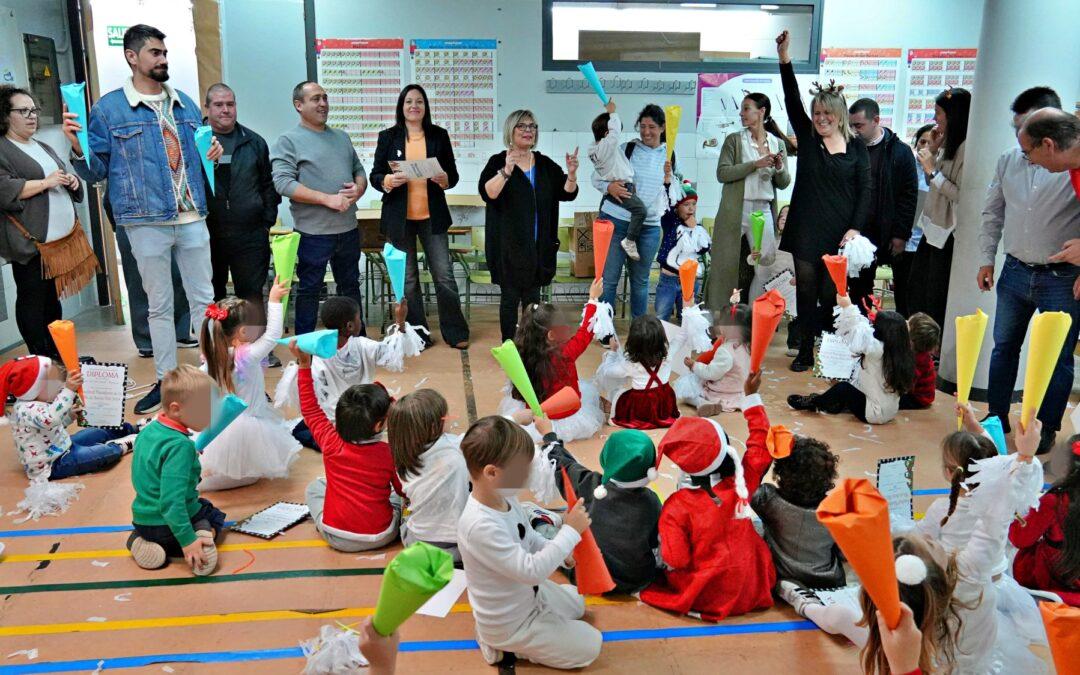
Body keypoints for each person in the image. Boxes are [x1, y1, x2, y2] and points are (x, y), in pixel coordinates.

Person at [62, 24, 219, 415]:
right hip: (143, 219)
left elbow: (200, 152)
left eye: (164, 53)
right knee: (159, 305)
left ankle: (211, 379)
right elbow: (97, 172)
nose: (163, 59)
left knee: (205, 300)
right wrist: (77, 147)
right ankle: (169, 385)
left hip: (192, 214)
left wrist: (211, 151)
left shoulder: (183, 101)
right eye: (154, 53)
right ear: (132, 57)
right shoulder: (109, 109)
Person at [857, 420, 1046, 674]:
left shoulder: (920, 603)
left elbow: (995, 510)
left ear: (950, 472)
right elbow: (998, 512)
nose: (932, 543)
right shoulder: (971, 570)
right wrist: (1024, 456)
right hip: (977, 649)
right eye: (932, 546)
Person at [977, 87, 1080, 454]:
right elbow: (993, 212)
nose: (1023, 149)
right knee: (1004, 346)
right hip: (1016, 270)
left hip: (1061, 278)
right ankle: (995, 417)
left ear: (1048, 139)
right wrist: (987, 257)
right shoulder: (1009, 161)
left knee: (1058, 355)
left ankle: (1046, 426)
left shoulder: (1070, 166)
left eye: (1026, 132)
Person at [457, 415, 601, 670]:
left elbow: (529, 537)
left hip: (526, 595)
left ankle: (527, 631)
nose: (529, 474)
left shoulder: (505, 496)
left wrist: (558, 548)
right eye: (522, 469)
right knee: (591, 644)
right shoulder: (479, 525)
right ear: (492, 472)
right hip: (511, 621)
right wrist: (569, 532)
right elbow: (531, 572)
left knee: (578, 604)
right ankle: (497, 642)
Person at [640, 372, 776, 621]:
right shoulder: (741, 480)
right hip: (751, 582)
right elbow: (761, 442)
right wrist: (751, 397)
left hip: (707, 590)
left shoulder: (677, 506)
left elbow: (676, 558)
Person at [774, 30, 870, 372]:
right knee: (806, 293)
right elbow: (791, 100)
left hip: (840, 232)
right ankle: (804, 351)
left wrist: (856, 228)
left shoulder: (857, 147)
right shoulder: (809, 139)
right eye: (816, 114)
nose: (820, 119)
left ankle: (830, 350)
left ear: (839, 114)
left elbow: (865, 190)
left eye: (827, 114)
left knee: (831, 296)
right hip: (806, 229)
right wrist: (785, 57)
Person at [370, 84, 468, 349]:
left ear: (426, 107)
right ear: (401, 107)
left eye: (419, 102)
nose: (414, 106)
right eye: (409, 102)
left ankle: (455, 332)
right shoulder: (388, 137)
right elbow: (375, 176)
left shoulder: (438, 135)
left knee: (444, 275)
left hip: (432, 217)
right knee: (408, 279)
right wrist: (388, 179)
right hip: (399, 219)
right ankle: (419, 335)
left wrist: (445, 179)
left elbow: (453, 175)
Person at [271, 80, 367, 336]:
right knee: (310, 289)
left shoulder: (341, 137)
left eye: (325, 97)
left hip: (347, 228)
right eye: (316, 99)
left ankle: (355, 341)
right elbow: (283, 183)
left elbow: (359, 170)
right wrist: (327, 199)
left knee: (350, 288)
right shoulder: (288, 141)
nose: (323, 103)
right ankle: (306, 346)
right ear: (299, 105)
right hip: (313, 233)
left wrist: (358, 188)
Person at [0, 87, 90, 358]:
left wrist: (71, 181)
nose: (31, 116)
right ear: (5, 116)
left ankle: (57, 358)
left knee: (51, 301)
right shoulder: (3, 148)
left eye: (34, 110)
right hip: (31, 243)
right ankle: (40, 360)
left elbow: (60, 175)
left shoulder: (41, 145)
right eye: (22, 111)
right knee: (33, 300)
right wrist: (47, 182)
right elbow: (4, 190)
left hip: (58, 244)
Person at [291, 341, 403, 553]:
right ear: (379, 425)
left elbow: (310, 409)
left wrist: (304, 365)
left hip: (336, 535)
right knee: (395, 496)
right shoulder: (388, 453)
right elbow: (402, 490)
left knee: (314, 488)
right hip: (382, 535)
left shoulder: (330, 442)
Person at [480, 110, 579, 341]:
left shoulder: (544, 164)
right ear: (511, 131)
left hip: (538, 249)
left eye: (532, 126)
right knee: (510, 299)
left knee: (533, 301)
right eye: (522, 126)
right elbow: (488, 193)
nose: (528, 131)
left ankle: (530, 344)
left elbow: (567, 194)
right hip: (508, 249)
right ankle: (509, 346)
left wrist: (572, 175)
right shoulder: (497, 161)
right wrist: (506, 171)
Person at [278, 296, 422, 450]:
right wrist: (400, 321)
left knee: (299, 431)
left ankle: (335, 440)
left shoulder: (318, 349)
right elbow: (395, 353)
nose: (361, 322)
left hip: (332, 418)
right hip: (363, 416)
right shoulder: (364, 345)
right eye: (359, 318)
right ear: (350, 326)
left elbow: (311, 390)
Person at [197, 278, 301, 490]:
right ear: (243, 332)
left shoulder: (210, 359)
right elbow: (273, 335)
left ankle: (210, 471)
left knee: (226, 466)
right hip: (246, 429)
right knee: (250, 474)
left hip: (217, 427)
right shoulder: (248, 356)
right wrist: (274, 300)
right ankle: (221, 475)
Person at [127, 365, 226, 576]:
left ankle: (137, 539)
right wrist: (187, 540)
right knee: (212, 513)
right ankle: (200, 538)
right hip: (169, 527)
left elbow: (150, 472)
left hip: (144, 520)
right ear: (175, 408)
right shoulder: (181, 446)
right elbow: (171, 502)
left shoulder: (149, 431)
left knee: (194, 509)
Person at [758, 438, 858, 643]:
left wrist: (768, 456)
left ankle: (797, 595)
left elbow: (745, 485)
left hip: (783, 574)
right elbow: (843, 552)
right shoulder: (836, 510)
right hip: (829, 580)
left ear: (780, 475)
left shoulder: (767, 499)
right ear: (828, 479)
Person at [544, 420, 662, 594]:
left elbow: (562, 465)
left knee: (545, 533)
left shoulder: (589, 484)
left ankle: (540, 522)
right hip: (635, 580)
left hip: (589, 576)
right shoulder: (651, 502)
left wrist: (550, 438)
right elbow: (654, 542)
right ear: (651, 468)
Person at [593, 104, 682, 319]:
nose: (646, 132)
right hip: (616, 221)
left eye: (652, 126)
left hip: (649, 228)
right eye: (642, 126)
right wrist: (609, 187)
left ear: (663, 128)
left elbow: (674, 195)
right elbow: (596, 177)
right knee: (609, 279)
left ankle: (639, 332)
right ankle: (605, 330)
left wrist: (670, 179)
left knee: (640, 282)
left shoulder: (669, 156)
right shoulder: (626, 149)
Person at [202, 84, 279, 330]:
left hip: (250, 234)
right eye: (219, 105)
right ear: (207, 108)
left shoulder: (254, 142)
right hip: (207, 234)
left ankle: (257, 349)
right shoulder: (195, 141)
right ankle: (217, 350)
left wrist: (266, 221)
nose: (226, 110)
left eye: (230, 104)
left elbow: (268, 184)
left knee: (252, 295)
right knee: (211, 294)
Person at [708, 92, 792, 307]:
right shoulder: (734, 140)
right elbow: (723, 174)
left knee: (764, 268)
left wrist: (779, 167)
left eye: (746, 108)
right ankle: (721, 321)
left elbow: (783, 183)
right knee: (725, 267)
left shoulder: (777, 143)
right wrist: (755, 164)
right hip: (735, 210)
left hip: (762, 210)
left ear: (761, 112)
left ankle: (755, 318)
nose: (741, 113)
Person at [497, 278, 606, 443]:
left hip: (536, 416)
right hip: (565, 415)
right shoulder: (566, 352)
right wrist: (593, 299)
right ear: (551, 335)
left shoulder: (523, 351)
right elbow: (586, 332)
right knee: (587, 391)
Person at [2, 356, 136, 481]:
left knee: (97, 432)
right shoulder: (26, 409)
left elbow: (50, 427)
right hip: (54, 464)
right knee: (105, 453)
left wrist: (69, 416)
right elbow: (51, 418)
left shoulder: (38, 402)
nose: (59, 387)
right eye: (53, 384)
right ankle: (124, 444)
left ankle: (135, 428)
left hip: (62, 445)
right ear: (34, 389)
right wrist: (69, 390)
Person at [788, 293, 915, 425]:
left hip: (873, 413)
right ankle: (833, 403)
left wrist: (847, 306)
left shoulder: (877, 350)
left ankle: (814, 403)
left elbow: (859, 328)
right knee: (844, 383)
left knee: (843, 388)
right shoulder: (901, 352)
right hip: (890, 411)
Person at [846, 98, 918, 311]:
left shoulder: (900, 152)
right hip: (860, 233)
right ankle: (861, 332)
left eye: (858, 125)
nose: (854, 131)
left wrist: (900, 234)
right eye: (850, 126)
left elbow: (908, 195)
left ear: (876, 120)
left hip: (890, 230)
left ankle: (900, 334)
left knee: (903, 289)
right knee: (859, 289)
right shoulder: (850, 149)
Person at [907, 87, 970, 328]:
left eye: (938, 113)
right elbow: (930, 182)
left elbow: (961, 195)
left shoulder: (966, 148)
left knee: (934, 298)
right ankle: (920, 346)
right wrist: (932, 151)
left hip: (947, 234)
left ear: (953, 116)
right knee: (917, 291)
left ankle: (932, 353)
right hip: (931, 228)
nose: (935, 119)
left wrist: (933, 169)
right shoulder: (946, 142)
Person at [386, 389, 468, 562]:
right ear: (433, 426)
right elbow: (486, 436)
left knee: (402, 499)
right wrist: (515, 419)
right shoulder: (455, 448)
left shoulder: (401, 452)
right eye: (446, 416)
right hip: (461, 544)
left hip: (418, 541)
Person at [595, 306, 694, 429]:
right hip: (664, 401)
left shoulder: (630, 363)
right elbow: (682, 335)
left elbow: (607, 371)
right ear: (662, 337)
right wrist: (688, 309)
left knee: (618, 394)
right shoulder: (669, 353)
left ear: (632, 341)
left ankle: (615, 412)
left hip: (641, 405)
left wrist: (613, 351)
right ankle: (662, 417)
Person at [1009, 436, 1080, 606]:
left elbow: (1019, 538)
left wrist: (1019, 513)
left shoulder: (1055, 501)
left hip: (1054, 581)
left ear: (1065, 467)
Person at [588, 98, 647, 261]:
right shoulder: (607, 147)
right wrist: (612, 112)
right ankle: (630, 240)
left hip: (618, 188)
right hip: (622, 187)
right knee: (641, 211)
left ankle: (629, 239)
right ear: (607, 134)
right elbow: (614, 134)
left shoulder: (595, 149)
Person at [673, 297, 751, 416]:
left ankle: (703, 403)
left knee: (687, 393)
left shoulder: (725, 350)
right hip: (739, 391)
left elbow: (712, 373)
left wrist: (694, 365)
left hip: (722, 392)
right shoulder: (746, 346)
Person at [893, 124, 935, 316]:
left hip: (928, 240)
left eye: (929, 142)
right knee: (902, 289)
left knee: (921, 292)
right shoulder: (906, 164)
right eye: (921, 141)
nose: (924, 146)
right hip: (904, 238)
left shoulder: (937, 168)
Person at [655, 180, 710, 321]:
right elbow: (666, 202)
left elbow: (704, 248)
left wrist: (695, 229)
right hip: (668, 280)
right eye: (686, 205)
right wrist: (667, 183)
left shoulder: (697, 226)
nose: (691, 208)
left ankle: (686, 340)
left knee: (687, 316)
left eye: (693, 204)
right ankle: (661, 341)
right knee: (662, 315)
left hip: (690, 280)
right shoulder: (670, 222)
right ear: (677, 207)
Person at [900, 312, 940, 410]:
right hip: (919, 392)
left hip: (919, 399)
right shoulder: (917, 353)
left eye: (908, 323)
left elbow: (907, 385)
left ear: (912, 341)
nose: (905, 322)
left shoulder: (918, 361)